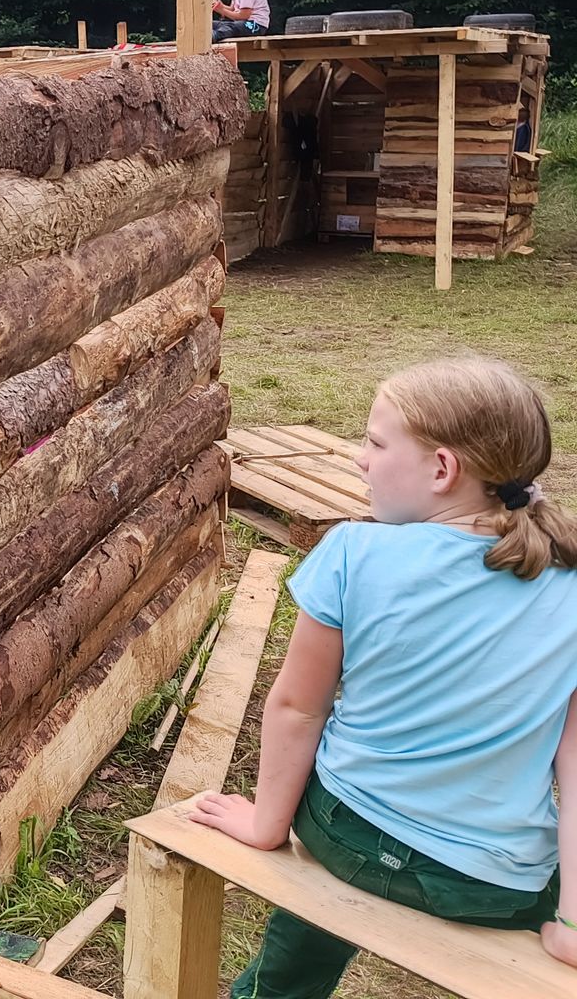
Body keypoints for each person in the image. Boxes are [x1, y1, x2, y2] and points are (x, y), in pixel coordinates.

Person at [191, 356, 577, 997]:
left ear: (442, 469)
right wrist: (570, 921)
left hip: (340, 832)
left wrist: (266, 825)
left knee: (311, 927)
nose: (360, 460)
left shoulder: (353, 551)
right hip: (488, 883)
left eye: (374, 443)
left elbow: (297, 709)